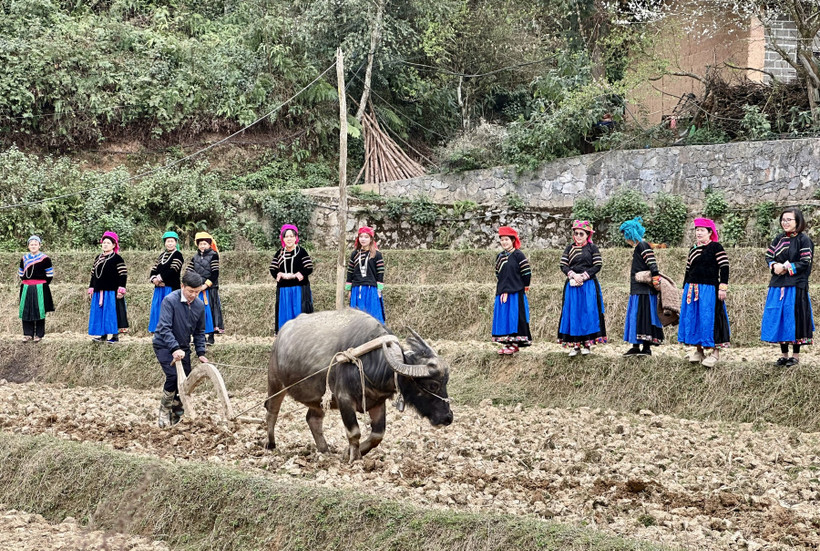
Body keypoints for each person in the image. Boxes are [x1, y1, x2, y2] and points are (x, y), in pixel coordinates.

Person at [153, 271, 209, 427]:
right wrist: (174, 348)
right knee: (172, 376)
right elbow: (164, 328)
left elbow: (199, 332)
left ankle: (177, 412)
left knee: (185, 382)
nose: (193, 295)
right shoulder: (170, 301)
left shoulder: (199, 305)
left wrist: (201, 352)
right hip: (164, 344)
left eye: (197, 292)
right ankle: (164, 410)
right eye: (191, 291)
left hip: (183, 347)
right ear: (182, 286)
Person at [761, 208, 814, 366]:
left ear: (798, 222)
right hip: (778, 285)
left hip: (795, 285)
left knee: (794, 318)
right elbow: (769, 255)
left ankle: (795, 356)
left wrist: (786, 267)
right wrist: (774, 264)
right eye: (783, 220)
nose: (785, 223)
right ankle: (784, 355)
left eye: (789, 220)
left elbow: (805, 262)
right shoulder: (779, 239)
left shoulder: (804, 240)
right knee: (780, 318)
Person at [678, 218, 730, 367]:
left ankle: (715, 352)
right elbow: (688, 270)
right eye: (697, 230)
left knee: (710, 318)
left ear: (710, 232)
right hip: (692, 289)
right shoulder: (693, 249)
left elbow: (724, 266)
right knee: (694, 318)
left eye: (702, 230)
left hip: (709, 289)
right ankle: (699, 351)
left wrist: (723, 286)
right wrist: (684, 288)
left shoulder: (716, 247)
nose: (698, 233)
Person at [557, 220, 607, 356]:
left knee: (588, 313)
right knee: (573, 313)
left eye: (581, 234)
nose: (578, 236)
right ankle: (575, 346)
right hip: (572, 286)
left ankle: (587, 345)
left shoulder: (592, 248)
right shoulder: (569, 248)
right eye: (576, 233)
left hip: (588, 286)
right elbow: (563, 265)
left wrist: (583, 277)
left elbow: (597, 265)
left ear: (587, 235)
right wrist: (572, 275)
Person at [619, 217, 663, 355]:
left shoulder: (643, 245)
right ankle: (636, 347)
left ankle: (646, 347)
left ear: (630, 234)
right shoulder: (640, 246)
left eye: (626, 235)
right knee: (637, 317)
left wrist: (656, 280)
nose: (626, 239)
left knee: (643, 317)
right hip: (638, 290)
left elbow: (653, 265)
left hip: (644, 290)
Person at [492, 226, 532, 355]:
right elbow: (498, 274)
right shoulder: (500, 257)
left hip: (515, 292)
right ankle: (507, 343)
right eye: (502, 240)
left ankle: (515, 344)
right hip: (503, 291)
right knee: (505, 318)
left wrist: (523, 286)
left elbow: (526, 273)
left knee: (515, 317)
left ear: (513, 240)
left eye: (507, 240)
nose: (504, 242)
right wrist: (504, 288)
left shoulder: (518, 255)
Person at [270, 224, 314, 334]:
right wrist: (279, 274)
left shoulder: (301, 251)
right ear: (283, 238)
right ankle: (284, 334)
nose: (289, 239)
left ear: (296, 237)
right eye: (286, 236)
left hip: (299, 288)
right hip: (284, 289)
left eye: (291, 236)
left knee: (299, 311)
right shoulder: (279, 253)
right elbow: (272, 268)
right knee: (285, 312)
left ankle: (301, 334)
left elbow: (309, 267)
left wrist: (300, 274)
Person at [88, 231, 128, 344]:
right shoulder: (98, 258)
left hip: (111, 291)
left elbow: (123, 274)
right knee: (101, 314)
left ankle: (114, 336)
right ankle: (102, 335)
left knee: (112, 313)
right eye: (104, 242)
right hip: (99, 291)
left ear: (114, 245)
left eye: (108, 243)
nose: (105, 245)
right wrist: (91, 287)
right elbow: (93, 275)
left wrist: (121, 288)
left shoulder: (117, 259)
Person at [186, 231, 223, 345]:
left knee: (210, 312)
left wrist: (205, 285)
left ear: (209, 244)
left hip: (209, 289)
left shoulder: (213, 255)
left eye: (205, 244)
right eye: (200, 244)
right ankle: (197, 337)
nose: (203, 246)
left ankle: (210, 337)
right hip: (197, 289)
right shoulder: (195, 257)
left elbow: (215, 273)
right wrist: (191, 284)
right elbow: (189, 271)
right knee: (195, 312)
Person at [345, 226, 386, 323]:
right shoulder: (354, 254)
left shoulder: (376, 254)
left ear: (371, 239)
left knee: (373, 314)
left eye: (366, 237)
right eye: (361, 237)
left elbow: (380, 271)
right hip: (356, 288)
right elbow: (350, 272)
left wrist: (379, 289)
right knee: (357, 316)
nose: (363, 239)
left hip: (370, 288)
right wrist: (349, 290)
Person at [18, 235, 54, 342]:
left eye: (35, 244)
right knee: (26, 310)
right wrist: (28, 282)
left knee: (39, 310)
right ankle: (28, 334)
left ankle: (39, 334)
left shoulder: (45, 259)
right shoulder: (24, 259)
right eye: (31, 244)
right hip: (26, 287)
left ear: (39, 245)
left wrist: (41, 284)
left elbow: (50, 275)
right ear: (28, 246)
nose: (33, 246)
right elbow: (21, 273)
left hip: (40, 287)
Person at [148, 231, 184, 333]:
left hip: (171, 287)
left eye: (172, 241)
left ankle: (170, 330)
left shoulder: (178, 255)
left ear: (176, 242)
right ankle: (157, 329)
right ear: (164, 243)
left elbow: (173, 270)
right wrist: (153, 278)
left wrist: (160, 278)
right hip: (159, 288)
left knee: (170, 308)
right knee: (157, 307)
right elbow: (154, 269)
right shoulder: (161, 256)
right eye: (168, 241)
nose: (170, 243)